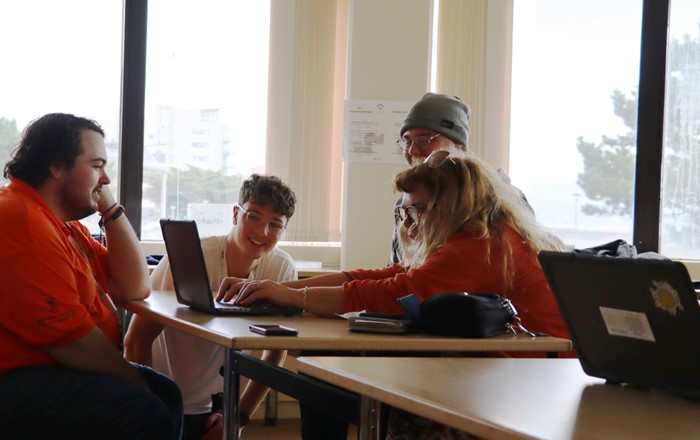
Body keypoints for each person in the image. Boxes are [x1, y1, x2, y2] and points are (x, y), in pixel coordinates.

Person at [218, 150, 573, 439]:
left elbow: (398, 291)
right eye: (406, 211)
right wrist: (282, 291)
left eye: (418, 210)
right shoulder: (474, 235)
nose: (409, 222)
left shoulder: (483, 243)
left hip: (530, 382)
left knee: (331, 364)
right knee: (322, 357)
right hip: (504, 367)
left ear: (448, 206)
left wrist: (294, 297)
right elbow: (392, 274)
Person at [0, 113, 183, 439]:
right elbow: (72, 342)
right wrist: (134, 382)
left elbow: (134, 287)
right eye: (97, 165)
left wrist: (109, 208)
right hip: (17, 376)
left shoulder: (63, 225)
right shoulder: (23, 221)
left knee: (165, 393)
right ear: (56, 166)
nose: (107, 179)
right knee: (146, 406)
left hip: (49, 368)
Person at [125, 174, 298, 440]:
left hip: (219, 409)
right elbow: (135, 341)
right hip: (164, 403)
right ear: (235, 214)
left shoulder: (280, 268)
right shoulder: (189, 258)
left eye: (275, 224)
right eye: (253, 217)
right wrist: (152, 411)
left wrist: (238, 417)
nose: (262, 232)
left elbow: (275, 353)